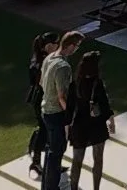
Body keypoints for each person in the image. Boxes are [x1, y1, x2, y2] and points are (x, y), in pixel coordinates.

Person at [40, 31, 84, 190]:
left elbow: (41, 82)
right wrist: (72, 117)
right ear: (71, 46)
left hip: (45, 110)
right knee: (56, 153)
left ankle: (47, 185)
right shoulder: (63, 67)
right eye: (77, 46)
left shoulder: (49, 58)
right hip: (56, 114)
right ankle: (51, 187)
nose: (77, 49)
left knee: (51, 151)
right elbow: (62, 97)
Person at [67, 51, 115, 190]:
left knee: (77, 161)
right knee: (98, 160)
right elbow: (105, 105)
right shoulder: (97, 83)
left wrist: (67, 127)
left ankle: (73, 187)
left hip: (79, 126)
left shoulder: (75, 84)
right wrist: (111, 120)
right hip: (97, 125)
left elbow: (69, 108)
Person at [25, 31, 58, 182]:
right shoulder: (43, 62)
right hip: (42, 99)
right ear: (49, 46)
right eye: (56, 43)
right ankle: (36, 161)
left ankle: (44, 161)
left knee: (46, 129)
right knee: (46, 130)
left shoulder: (40, 59)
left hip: (40, 98)